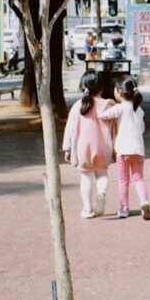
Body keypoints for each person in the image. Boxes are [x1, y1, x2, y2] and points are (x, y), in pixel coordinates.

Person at [62, 71, 115, 219]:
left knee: (85, 177)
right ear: (102, 88)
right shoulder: (108, 105)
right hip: (103, 147)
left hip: (82, 149)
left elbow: (70, 129)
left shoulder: (78, 106)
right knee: (102, 173)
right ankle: (101, 193)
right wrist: (115, 149)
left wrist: (67, 148)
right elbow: (114, 128)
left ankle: (88, 209)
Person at [99, 77, 150, 219]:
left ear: (119, 92)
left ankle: (124, 208)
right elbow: (141, 129)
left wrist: (107, 103)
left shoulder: (120, 108)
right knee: (139, 178)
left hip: (123, 151)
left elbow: (102, 116)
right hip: (138, 150)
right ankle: (144, 202)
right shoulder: (139, 110)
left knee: (123, 181)